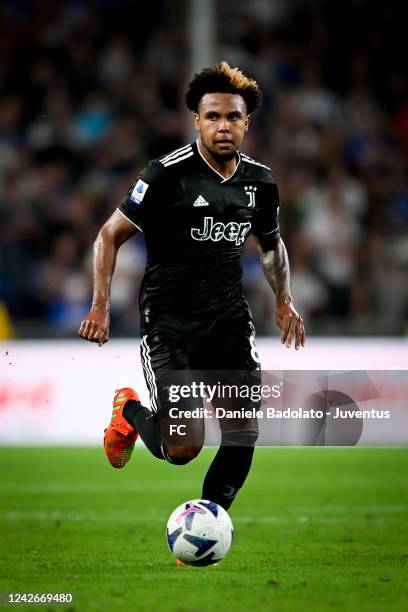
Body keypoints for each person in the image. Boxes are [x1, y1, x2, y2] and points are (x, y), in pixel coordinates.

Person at [79, 61, 305, 511]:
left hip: (227, 323)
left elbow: (271, 245)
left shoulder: (261, 182)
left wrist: (284, 300)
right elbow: (109, 235)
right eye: (214, 117)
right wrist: (100, 304)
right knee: (183, 449)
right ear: (197, 121)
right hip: (170, 325)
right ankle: (128, 410)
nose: (224, 127)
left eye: (233, 117)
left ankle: (208, 525)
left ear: (247, 123)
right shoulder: (165, 175)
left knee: (243, 429)